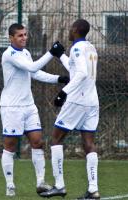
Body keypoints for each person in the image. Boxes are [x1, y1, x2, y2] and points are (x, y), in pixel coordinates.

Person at [0, 23, 68, 197]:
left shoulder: (26, 53)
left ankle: (40, 183)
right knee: (10, 146)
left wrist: (59, 78)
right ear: (11, 38)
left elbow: (35, 73)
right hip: (12, 107)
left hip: (29, 106)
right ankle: (10, 185)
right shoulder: (9, 54)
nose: (24, 38)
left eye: (25, 34)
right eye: (20, 35)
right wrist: (52, 53)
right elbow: (32, 67)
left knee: (37, 142)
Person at [39, 19, 100, 199]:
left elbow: (80, 73)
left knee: (56, 138)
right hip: (92, 101)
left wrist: (63, 93)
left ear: (75, 30)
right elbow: (77, 68)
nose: (69, 31)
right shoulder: (90, 47)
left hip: (76, 101)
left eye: (70, 28)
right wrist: (61, 55)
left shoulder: (76, 48)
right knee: (88, 143)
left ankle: (59, 186)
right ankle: (93, 190)